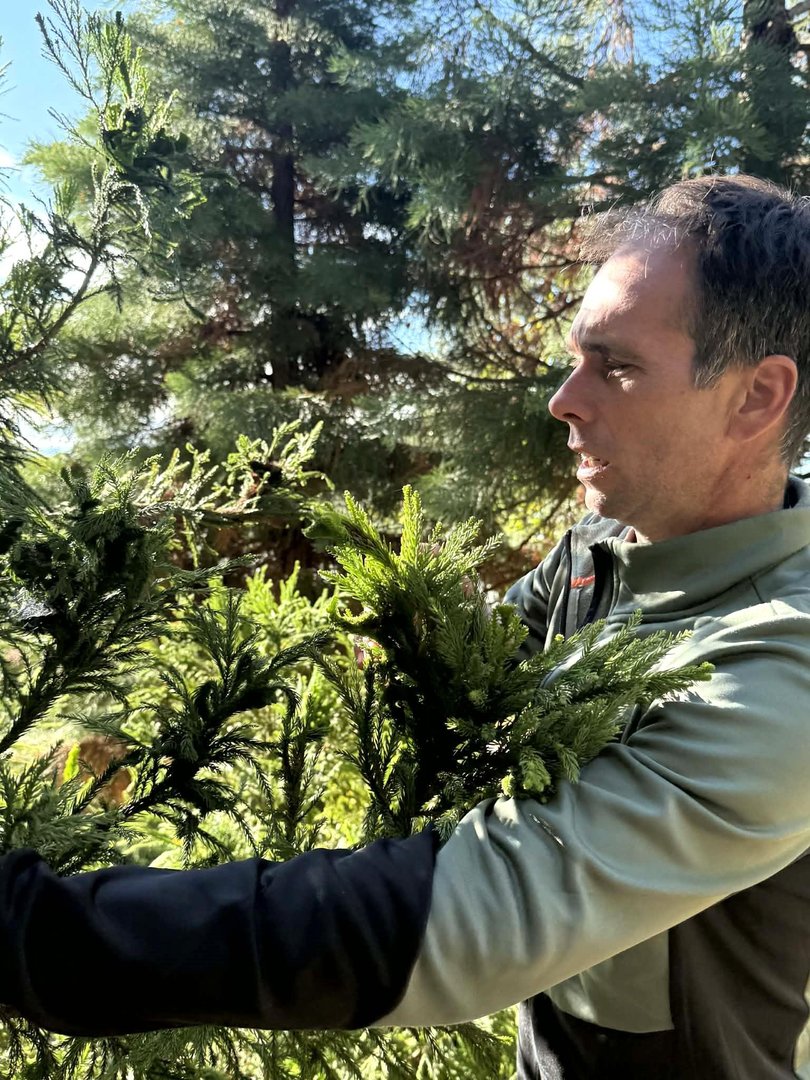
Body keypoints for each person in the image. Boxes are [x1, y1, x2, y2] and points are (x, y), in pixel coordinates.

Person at [1, 173, 809, 1079]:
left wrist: (32, 931)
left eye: (616, 366)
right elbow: (483, 652)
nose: (564, 399)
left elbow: (455, 925)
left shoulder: (784, 675)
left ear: (757, 396)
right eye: (576, 357)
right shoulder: (604, 548)